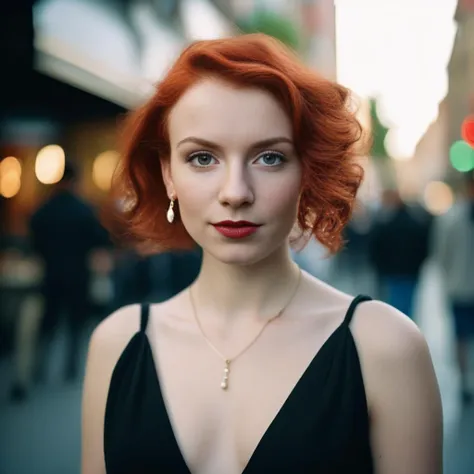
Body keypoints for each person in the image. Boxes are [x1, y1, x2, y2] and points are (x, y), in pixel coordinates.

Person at [81, 34, 442, 474]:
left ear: (306, 171)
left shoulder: (385, 350)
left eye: (269, 157)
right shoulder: (116, 346)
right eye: (201, 158)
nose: (235, 192)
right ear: (168, 175)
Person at [28, 161, 110, 385]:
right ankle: (71, 369)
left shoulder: (45, 209)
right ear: (75, 181)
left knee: (48, 323)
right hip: (77, 275)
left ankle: (39, 368)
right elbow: (101, 239)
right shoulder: (84, 209)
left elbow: (33, 237)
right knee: (76, 324)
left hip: (51, 273)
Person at [432, 175, 474, 404]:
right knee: (461, 337)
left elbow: (441, 255)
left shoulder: (451, 218)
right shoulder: (453, 218)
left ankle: (465, 378)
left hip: (459, 286)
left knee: (461, 338)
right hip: (460, 287)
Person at [369, 189, 432, 318]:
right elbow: (424, 248)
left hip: (392, 273)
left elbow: (376, 249)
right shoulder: (415, 223)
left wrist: (380, 267)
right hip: (410, 272)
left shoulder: (385, 225)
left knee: (394, 306)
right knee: (408, 306)